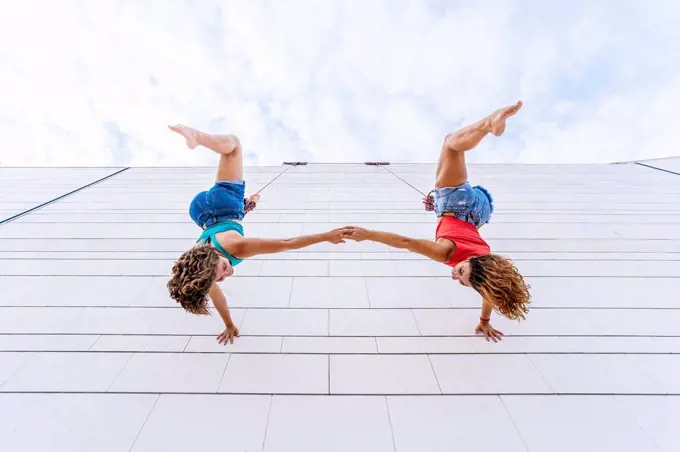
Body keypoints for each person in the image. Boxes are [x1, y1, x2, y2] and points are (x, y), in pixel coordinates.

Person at [345, 101, 530, 342]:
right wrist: (367, 234)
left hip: (479, 213)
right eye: (461, 270)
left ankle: (487, 127)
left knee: (452, 150)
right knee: (451, 145)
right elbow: (405, 242)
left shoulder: (488, 259)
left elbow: (487, 294)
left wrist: (485, 321)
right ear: (472, 259)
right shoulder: (446, 253)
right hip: (455, 204)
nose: (455, 274)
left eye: (462, 281)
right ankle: (489, 123)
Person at [166, 124, 351, 344]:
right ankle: (247, 203)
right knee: (240, 200)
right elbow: (220, 301)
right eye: (221, 277)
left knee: (233, 146)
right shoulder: (203, 273)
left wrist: (326, 236)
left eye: (224, 269)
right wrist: (230, 325)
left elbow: (286, 242)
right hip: (200, 214)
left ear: (211, 258)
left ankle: (197, 136)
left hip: (224, 207)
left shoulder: (235, 247)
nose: (227, 275)